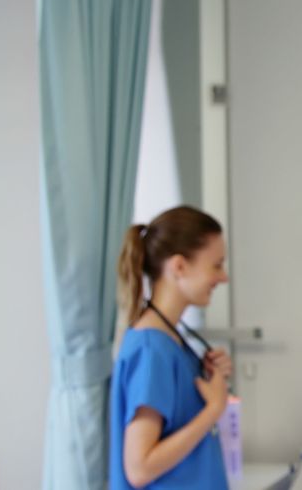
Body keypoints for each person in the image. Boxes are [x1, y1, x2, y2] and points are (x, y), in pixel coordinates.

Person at [109, 206, 233, 489]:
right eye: (216, 265)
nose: (223, 277)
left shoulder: (169, 340)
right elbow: (139, 468)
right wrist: (213, 410)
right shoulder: (152, 350)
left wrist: (210, 375)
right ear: (179, 267)